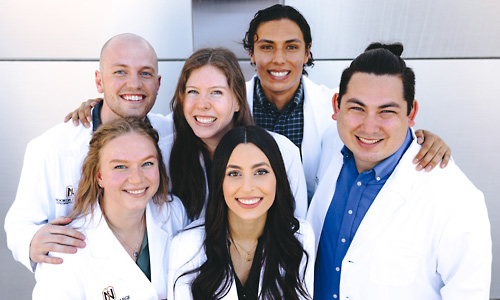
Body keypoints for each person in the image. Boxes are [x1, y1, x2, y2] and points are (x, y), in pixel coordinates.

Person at [307, 43, 491, 299]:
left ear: (411, 112)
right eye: (357, 108)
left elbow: (468, 293)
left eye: (387, 111)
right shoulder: (332, 144)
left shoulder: (456, 197)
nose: (369, 127)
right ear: (337, 106)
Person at [243, 4, 451, 197]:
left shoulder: (343, 106)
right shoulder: (231, 105)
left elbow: (385, 130)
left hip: (310, 231)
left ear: (307, 52)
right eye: (267, 47)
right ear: (252, 53)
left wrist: (422, 139)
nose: (279, 59)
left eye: (291, 47)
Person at [4, 33, 172, 271]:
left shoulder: (172, 137)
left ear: (158, 83)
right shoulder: (51, 147)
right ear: (99, 81)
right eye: (120, 72)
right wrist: (30, 240)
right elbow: (19, 223)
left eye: (145, 73)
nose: (134, 83)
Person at [32, 118, 188, 299]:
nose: (136, 179)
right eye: (120, 166)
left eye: (147, 164)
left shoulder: (173, 213)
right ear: (99, 176)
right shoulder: (65, 251)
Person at [168, 125, 314, 300]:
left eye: (260, 172)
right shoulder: (186, 245)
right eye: (234, 173)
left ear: (278, 178)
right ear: (219, 181)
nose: (247, 188)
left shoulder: (299, 237)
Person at [167, 47, 306, 221]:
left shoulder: (283, 152)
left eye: (216, 92)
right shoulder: (163, 156)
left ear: (238, 101)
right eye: (193, 92)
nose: (202, 104)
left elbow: (297, 228)